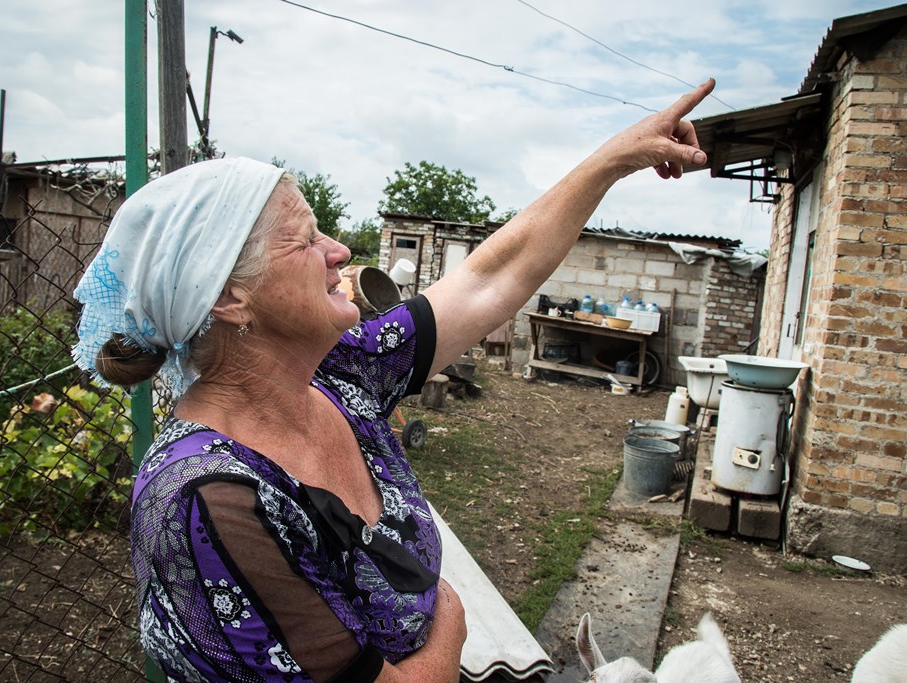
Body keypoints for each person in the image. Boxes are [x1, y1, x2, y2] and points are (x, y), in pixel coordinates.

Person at [73, 78, 715, 682]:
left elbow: (491, 278)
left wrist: (613, 159)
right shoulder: (210, 502)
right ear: (229, 299)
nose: (340, 251)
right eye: (304, 241)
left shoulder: (338, 373)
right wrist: (450, 625)